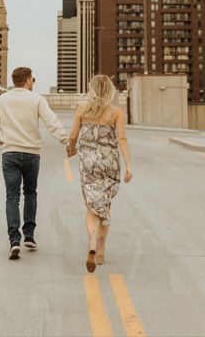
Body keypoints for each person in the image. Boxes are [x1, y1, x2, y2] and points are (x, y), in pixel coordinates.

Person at [0, 66, 69, 260]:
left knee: (12, 196)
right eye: (33, 79)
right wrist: (66, 141)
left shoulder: (1, 100)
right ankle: (29, 235)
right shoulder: (37, 99)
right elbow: (51, 122)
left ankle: (14, 240)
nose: (33, 82)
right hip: (32, 154)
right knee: (30, 192)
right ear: (28, 81)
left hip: (10, 153)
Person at [68, 74, 132, 273]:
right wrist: (129, 166)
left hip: (88, 164)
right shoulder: (116, 112)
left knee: (91, 207)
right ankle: (102, 251)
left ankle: (92, 245)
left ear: (92, 89)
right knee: (105, 206)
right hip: (109, 164)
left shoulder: (82, 109)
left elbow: (72, 136)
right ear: (110, 91)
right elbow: (121, 138)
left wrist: (71, 149)